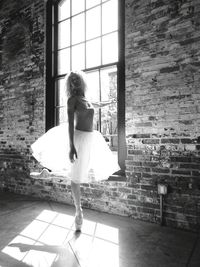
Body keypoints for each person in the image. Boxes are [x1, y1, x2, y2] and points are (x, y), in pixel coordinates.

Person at [30, 70, 120, 231]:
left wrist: (109, 102)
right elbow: (70, 124)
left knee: (78, 173)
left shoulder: (86, 99)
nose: (74, 83)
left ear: (81, 81)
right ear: (69, 85)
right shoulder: (72, 100)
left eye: (76, 79)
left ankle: (48, 173)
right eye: (71, 81)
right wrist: (71, 146)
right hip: (78, 138)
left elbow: (95, 105)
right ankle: (79, 211)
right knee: (76, 178)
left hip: (90, 139)